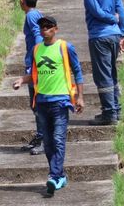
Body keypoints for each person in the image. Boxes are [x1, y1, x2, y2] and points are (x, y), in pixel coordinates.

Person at [13, 16, 84, 197]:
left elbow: (77, 71)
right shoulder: (36, 49)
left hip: (60, 101)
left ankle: (53, 175)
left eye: (48, 27)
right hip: (42, 102)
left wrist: (80, 97)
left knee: (59, 139)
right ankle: (59, 176)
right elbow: (33, 74)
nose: (44, 30)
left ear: (55, 29)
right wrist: (22, 80)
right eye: (41, 27)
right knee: (48, 142)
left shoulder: (65, 47)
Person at [78, 0, 124, 125]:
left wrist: (112, 19)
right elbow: (120, 9)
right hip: (114, 36)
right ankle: (116, 110)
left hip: (100, 37)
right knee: (111, 73)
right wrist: (122, 33)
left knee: (103, 76)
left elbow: (97, 12)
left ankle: (109, 114)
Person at [20, 0, 45, 155]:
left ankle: (43, 140)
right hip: (35, 63)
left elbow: (37, 37)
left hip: (35, 65)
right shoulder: (36, 14)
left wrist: (35, 60)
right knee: (35, 104)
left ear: (22, 1)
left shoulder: (31, 16)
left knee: (38, 104)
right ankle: (40, 136)